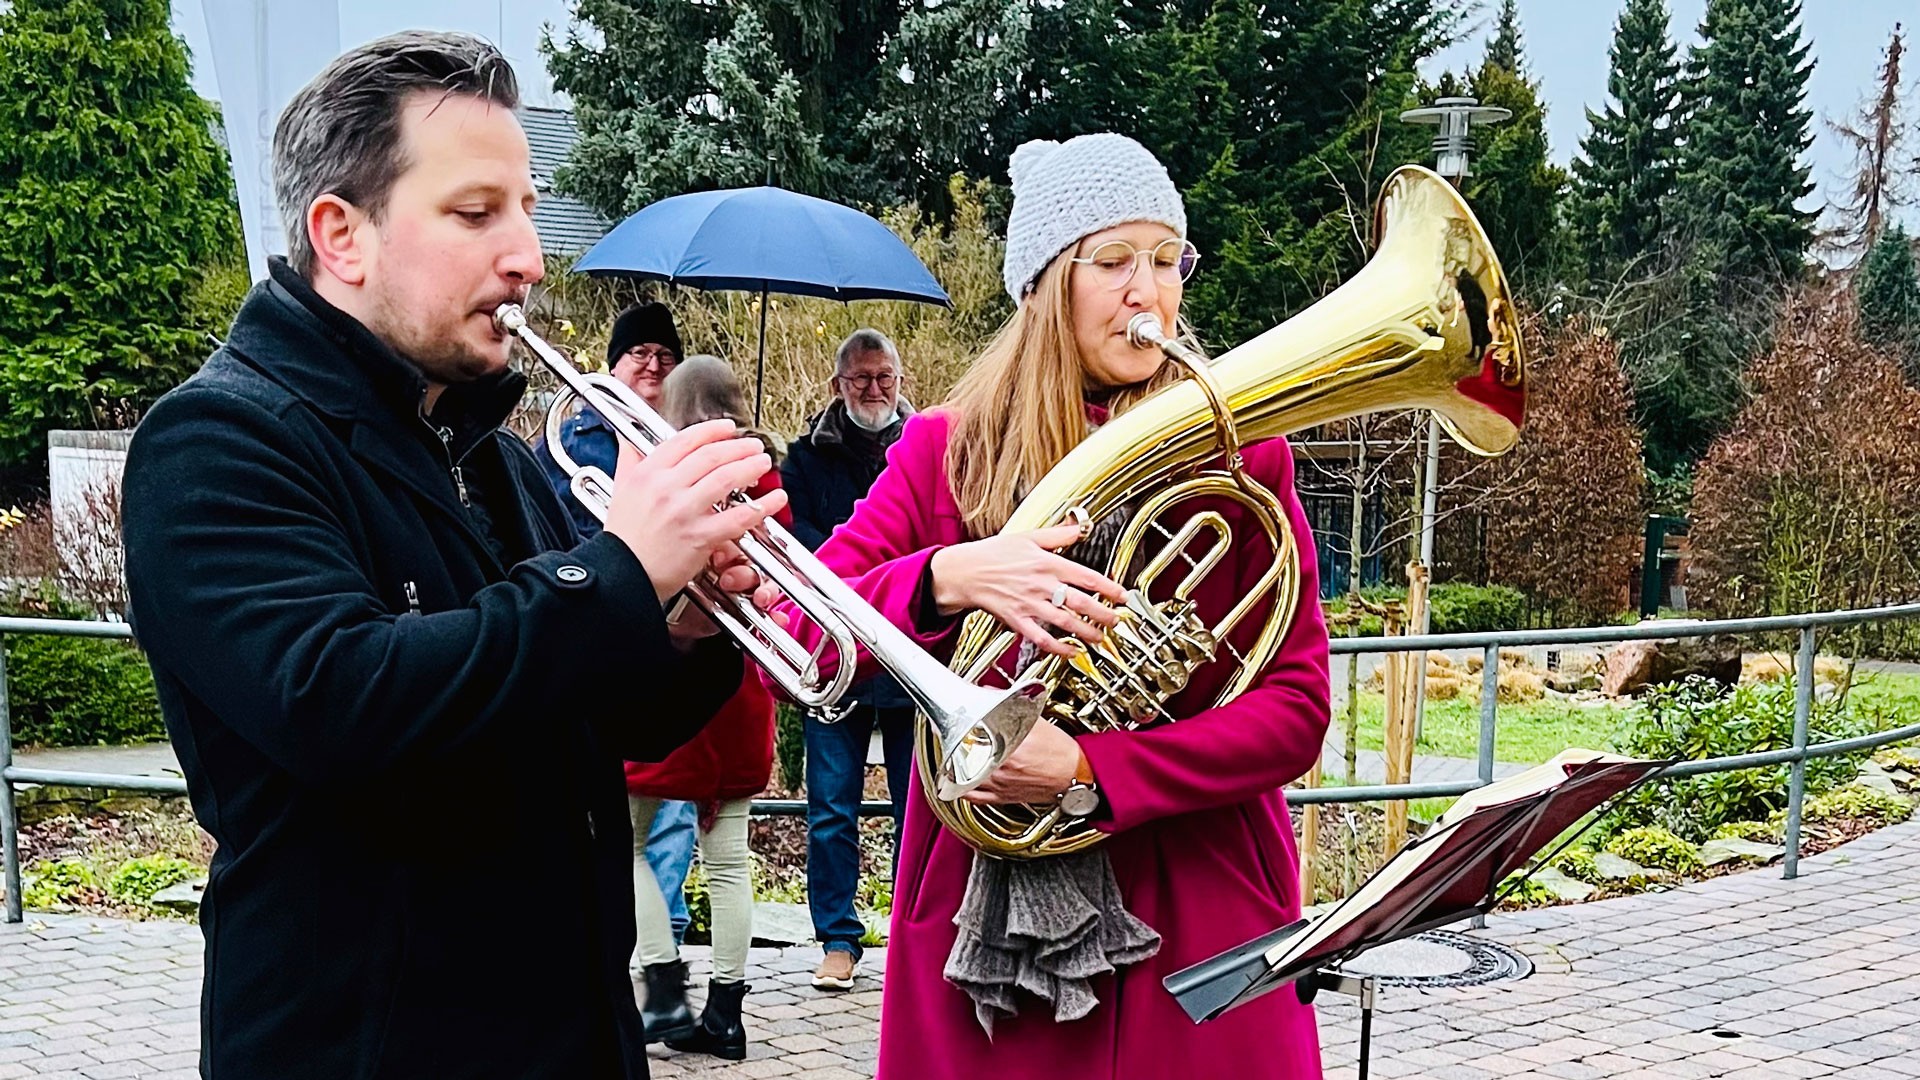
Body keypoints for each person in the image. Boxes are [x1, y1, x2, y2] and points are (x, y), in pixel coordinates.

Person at [119, 32, 785, 1080]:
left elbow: (604, 716)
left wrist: (688, 621)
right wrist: (618, 570)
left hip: (565, 1037)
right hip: (364, 1047)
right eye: (477, 213)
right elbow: (342, 699)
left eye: (524, 209)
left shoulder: (489, 454)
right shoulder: (216, 440)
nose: (525, 252)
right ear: (343, 235)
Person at [765, 133, 1329, 1078]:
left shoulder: (1245, 455)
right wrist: (949, 576)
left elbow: (1298, 712)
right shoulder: (943, 451)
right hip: (978, 912)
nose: (1146, 291)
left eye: (1166, 259)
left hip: (1200, 894)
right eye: (1111, 261)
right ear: (1042, 285)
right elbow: (799, 637)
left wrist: (1096, 767)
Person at [624, 355, 788, 1060]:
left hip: (671, 672)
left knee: (626, 841)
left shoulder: (665, 474)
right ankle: (726, 1012)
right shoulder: (766, 475)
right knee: (729, 861)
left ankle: (662, 985)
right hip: (738, 682)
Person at [531, 302, 704, 969]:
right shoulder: (569, 443)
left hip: (660, 661)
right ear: (612, 366)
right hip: (594, 644)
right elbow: (547, 545)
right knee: (627, 822)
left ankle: (662, 956)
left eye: (666, 356)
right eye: (641, 354)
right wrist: (627, 561)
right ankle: (650, 967)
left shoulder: (689, 440)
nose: (655, 366)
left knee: (674, 828)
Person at [779, 328, 917, 989]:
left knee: (916, 806)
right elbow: (795, 540)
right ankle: (838, 938)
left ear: (901, 379)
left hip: (912, 652)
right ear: (839, 386)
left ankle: (916, 933)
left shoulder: (925, 449)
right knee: (831, 806)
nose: (873, 390)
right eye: (860, 379)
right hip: (833, 652)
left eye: (883, 377)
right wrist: (865, 558)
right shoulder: (803, 459)